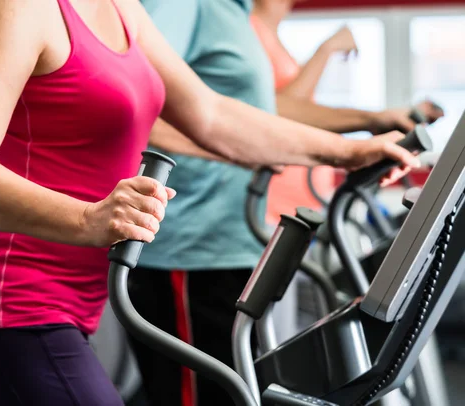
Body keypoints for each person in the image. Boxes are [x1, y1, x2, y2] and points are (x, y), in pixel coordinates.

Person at [0, 0, 419, 405]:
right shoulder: (21, 6)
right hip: (10, 305)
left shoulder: (121, 7)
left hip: (75, 305)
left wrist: (352, 150)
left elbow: (211, 115)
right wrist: (89, 217)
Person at [126, 1, 436, 406]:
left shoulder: (236, 15)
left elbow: (261, 111)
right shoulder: (185, 5)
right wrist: (244, 151)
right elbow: (145, 102)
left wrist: (361, 131)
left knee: (241, 389)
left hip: (237, 236)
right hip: (189, 243)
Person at [250, 0, 444, 224]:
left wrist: (377, 119)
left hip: (300, 204)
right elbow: (272, 111)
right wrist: (326, 49)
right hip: (270, 206)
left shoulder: (271, 35)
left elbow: (299, 111)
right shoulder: (250, 30)